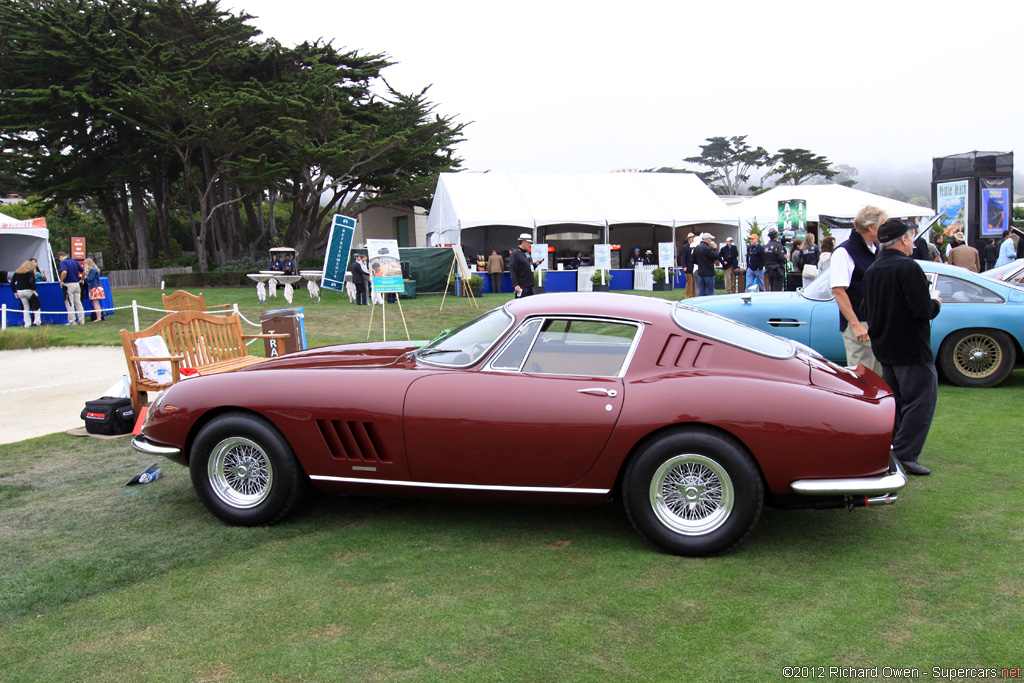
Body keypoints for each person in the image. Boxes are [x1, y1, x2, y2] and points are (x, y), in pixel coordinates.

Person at [864, 219, 942, 476]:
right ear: (905, 240)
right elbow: (922, 310)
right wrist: (936, 302)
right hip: (910, 347)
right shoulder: (909, 268)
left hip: (885, 345)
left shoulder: (873, 269)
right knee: (921, 399)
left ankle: (893, 449)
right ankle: (906, 454)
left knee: (897, 401)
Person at [830, 205, 885, 375]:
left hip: (875, 322)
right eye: (882, 225)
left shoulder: (875, 250)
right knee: (862, 379)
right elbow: (838, 291)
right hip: (860, 324)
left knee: (878, 378)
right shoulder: (844, 252)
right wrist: (855, 325)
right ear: (871, 227)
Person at [509, 233, 542, 297]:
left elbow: (528, 267)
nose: (530, 245)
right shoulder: (515, 254)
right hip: (522, 285)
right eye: (529, 243)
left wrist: (535, 264)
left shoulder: (527, 253)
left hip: (530, 284)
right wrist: (515, 284)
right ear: (523, 242)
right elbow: (512, 270)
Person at [10, 260, 41, 327]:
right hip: (28, 290)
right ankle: (37, 322)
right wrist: (34, 290)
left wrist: (14, 292)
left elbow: (12, 282)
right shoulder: (30, 272)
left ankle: (27, 324)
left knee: (25, 307)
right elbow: (31, 281)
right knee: (37, 306)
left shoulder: (17, 272)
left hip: (20, 291)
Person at [57, 251, 85, 325]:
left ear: (60, 257)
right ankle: (81, 320)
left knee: (70, 303)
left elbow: (64, 272)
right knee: (78, 303)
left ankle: (72, 321)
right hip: (76, 284)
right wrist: (82, 279)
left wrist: (61, 280)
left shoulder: (63, 262)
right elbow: (84, 271)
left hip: (68, 284)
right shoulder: (74, 261)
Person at [82, 257, 105, 321]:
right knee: (96, 303)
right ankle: (99, 317)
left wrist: (84, 276)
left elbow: (90, 278)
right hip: (96, 287)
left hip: (95, 288)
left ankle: (98, 318)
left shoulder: (93, 270)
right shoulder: (95, 269)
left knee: (95, 303)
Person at [763, 228, 786, 292]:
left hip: (769, 270)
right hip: (777, 270)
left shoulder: (766, 246)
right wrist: (785, 257)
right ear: (776, 237)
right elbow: (781, 257)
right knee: (777, 289)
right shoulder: (778, 245)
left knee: (772, 288)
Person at [680, 233, 696, 298]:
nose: (692, 239)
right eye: (691, 238)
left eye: (693, 237)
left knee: (694, 282)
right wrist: (684, 266)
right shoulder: (685, 247)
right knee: (690, 282)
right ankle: (688, 295)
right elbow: (683, 257)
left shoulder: (696, 246)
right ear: (688, 239)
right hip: (688, 266)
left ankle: (694, 295)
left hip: (694, 267)